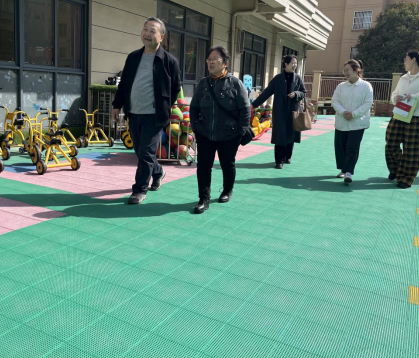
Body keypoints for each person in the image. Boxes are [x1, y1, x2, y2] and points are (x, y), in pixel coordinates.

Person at [112, 18, 182, 205]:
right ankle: (158, 172)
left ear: (161, 37)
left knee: (146, 153)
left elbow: (175, 88)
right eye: (145, 29)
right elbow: (124, 84)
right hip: (134, 113)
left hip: (154, 116)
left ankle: (139, 190)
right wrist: (116, 105)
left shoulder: (169, 61)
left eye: (152, 31)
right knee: (140, 151)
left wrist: (165, 107)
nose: (147, 34)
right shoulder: (133, 57)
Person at [190, 46, 250, 214]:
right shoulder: (203, 84)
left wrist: (240, 132)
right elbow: (194, 107)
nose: (211, 62)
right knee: (203, 166)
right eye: (209, 59)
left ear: (225, 63)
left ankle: (227, 190)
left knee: (227, 164)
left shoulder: (235, 83)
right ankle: (203, 199)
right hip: (205, 134)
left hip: (229, 134)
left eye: (215, 59)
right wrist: (196, 127)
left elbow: (245, 110)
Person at [386, 51, 419, 189]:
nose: (404, 62)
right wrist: (395, 98)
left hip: (416, 117)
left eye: (406, 59)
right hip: (399, 114)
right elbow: (395, 93)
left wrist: (414, 96)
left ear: (413, 60)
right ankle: (396, 169)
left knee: (412, 150)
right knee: (390, 143)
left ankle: (406, 178)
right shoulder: (404, 77)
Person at [251, 55, 307, 169]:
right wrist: (254, 105)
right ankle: (279, 161)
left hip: (293, 111)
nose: (295, 65)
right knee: (280, 136)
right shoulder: (278, 79)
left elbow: (303, 92)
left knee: (291, 135)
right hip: (280, 112)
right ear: (286, 64)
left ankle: (287, 157)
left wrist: (296, 94)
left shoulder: (298, 78)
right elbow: (267, 92)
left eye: (296, 63)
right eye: (293, 63)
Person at [331, 60, 374, 183]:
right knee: (341, 147)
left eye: (348, 70)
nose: (345, 73)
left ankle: (349, 172)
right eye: (344, 71)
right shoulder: (341, 86)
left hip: (358, 123)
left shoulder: (366, 86)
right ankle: (343, 169)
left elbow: (367, 103)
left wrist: (354, 114)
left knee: (352, 147)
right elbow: (335, 101)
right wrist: (343, 112)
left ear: (356, 70)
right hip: (342, 121)